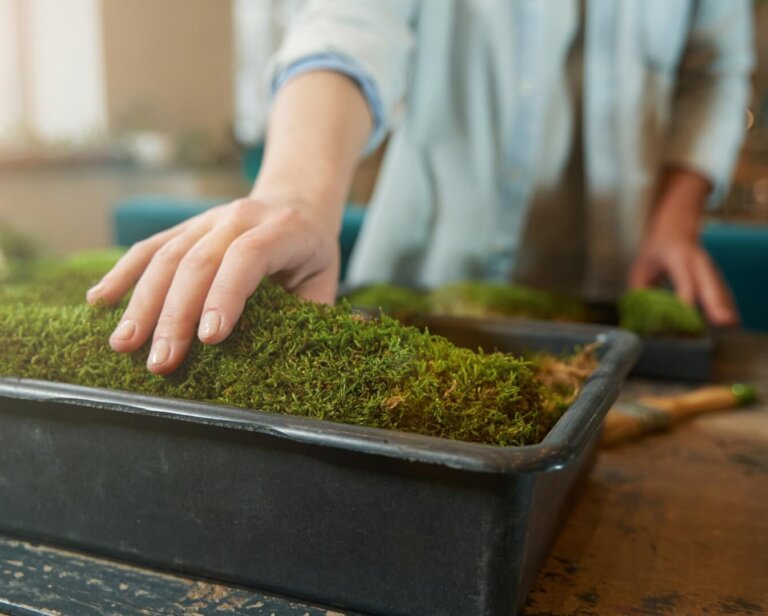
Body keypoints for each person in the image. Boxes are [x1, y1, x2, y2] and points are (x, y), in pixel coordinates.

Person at [87, 0, 754, 375]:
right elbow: (346, 23)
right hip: (416, 284)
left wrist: (676, 216)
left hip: (613, 291)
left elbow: (717, 71)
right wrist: (295, 192)